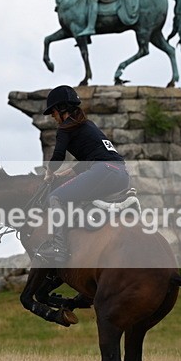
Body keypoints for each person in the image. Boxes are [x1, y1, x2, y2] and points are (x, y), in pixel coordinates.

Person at [35, 85, 130, 265]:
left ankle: (59, 248)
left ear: (62, 109)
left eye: (53, 112)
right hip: (121, 175)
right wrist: (64, 173)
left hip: (103, 171)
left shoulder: (65, 128)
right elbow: (91, 158)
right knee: (79, 200)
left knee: (55, 197)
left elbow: (57, 157)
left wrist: (49, 173)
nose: (53, 117)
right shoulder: (87, 125)